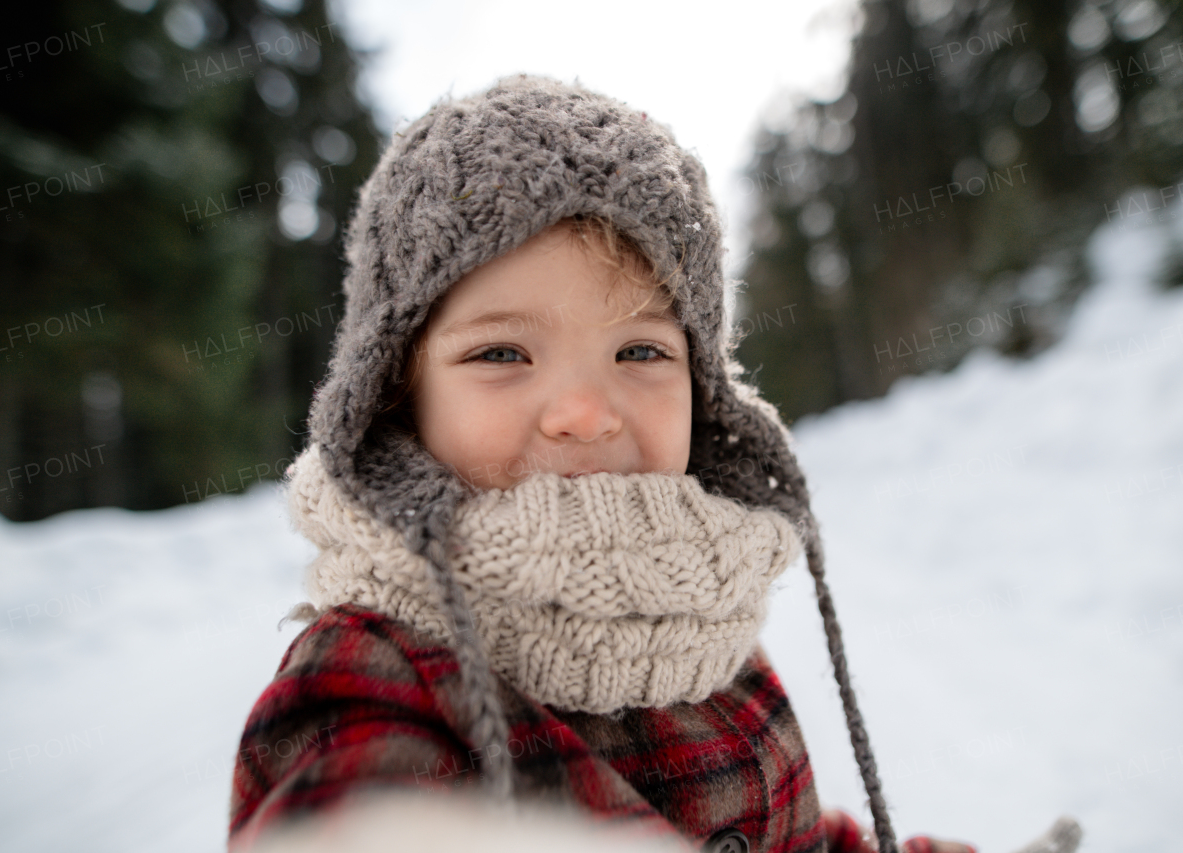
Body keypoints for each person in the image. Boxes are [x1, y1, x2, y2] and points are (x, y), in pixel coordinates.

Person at [226, 73, 1009, 853]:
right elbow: (355, 811)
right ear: (398, 396)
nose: (586, 413)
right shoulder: (372, 668)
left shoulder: (693, 607)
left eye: (640, 350)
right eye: (502, 352)